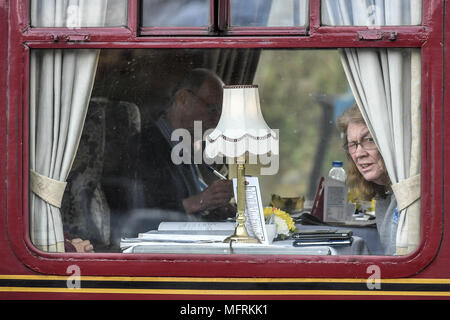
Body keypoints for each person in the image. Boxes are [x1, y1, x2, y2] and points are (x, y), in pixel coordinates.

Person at [132, 68, 235, 225]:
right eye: (213, 109)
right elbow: (139, 216)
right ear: (183, 99)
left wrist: (214, 209)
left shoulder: (184, 149)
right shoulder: (144, 146)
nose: (217, 120)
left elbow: (186, 208)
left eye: (221, 113)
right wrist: (200, 201)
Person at [337, 104, 397, 255]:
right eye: (353, 145)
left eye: (369, 140)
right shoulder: (385, 195)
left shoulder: (406, 196)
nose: (358, 153)